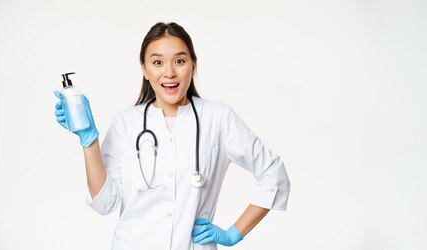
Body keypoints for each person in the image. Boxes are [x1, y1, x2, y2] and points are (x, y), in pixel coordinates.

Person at [53, 22, 290, 250]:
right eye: (157, 62)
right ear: (145, 70)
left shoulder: (218, 118)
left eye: (179, 61)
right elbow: (104, 203)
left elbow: (273, 174)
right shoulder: (127, 122)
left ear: (193, 65)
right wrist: (89, 140)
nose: (169, 72)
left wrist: (234, 233)